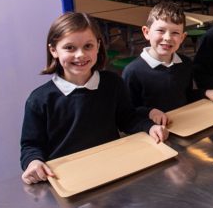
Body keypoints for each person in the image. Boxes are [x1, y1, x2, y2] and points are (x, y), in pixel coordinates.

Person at [20, 12, 168, 185]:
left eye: (88, 46)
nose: (80, 55)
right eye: (69, 48)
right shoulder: (39, 100)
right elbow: (31, 146)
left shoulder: (112, 83)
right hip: (68, 179)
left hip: (111, 170)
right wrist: (33, 162)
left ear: (98, 46)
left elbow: (127, 119)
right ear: (53, 50)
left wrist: (148, 127)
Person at [122, 1, 213, 126]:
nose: (167, 37)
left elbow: (185, 96)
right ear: (146, 32)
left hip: (182, 126)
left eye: (175, 33)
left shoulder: (185, 64)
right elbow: (127, 114)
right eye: (161, 30)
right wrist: (150, 112)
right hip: (151, 134)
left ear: (182, 37)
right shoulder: (133, 71)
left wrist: (205, 93)